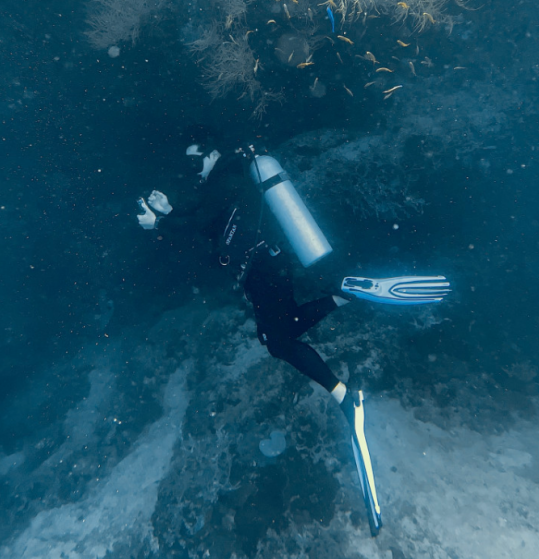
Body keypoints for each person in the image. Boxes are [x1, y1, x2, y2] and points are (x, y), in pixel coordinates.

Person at [137, 142, 450, 536]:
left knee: (278, 341)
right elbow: (207, 227)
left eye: (195, 160)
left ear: (212, 153)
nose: (193, 169)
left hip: (262, 269)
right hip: (268, 264)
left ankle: (345, 394)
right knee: (281, 334)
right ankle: (345, 294)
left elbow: (201, 224)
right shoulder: (228, 182)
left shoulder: (225, 178)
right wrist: (169, 213)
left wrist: (161, 224)